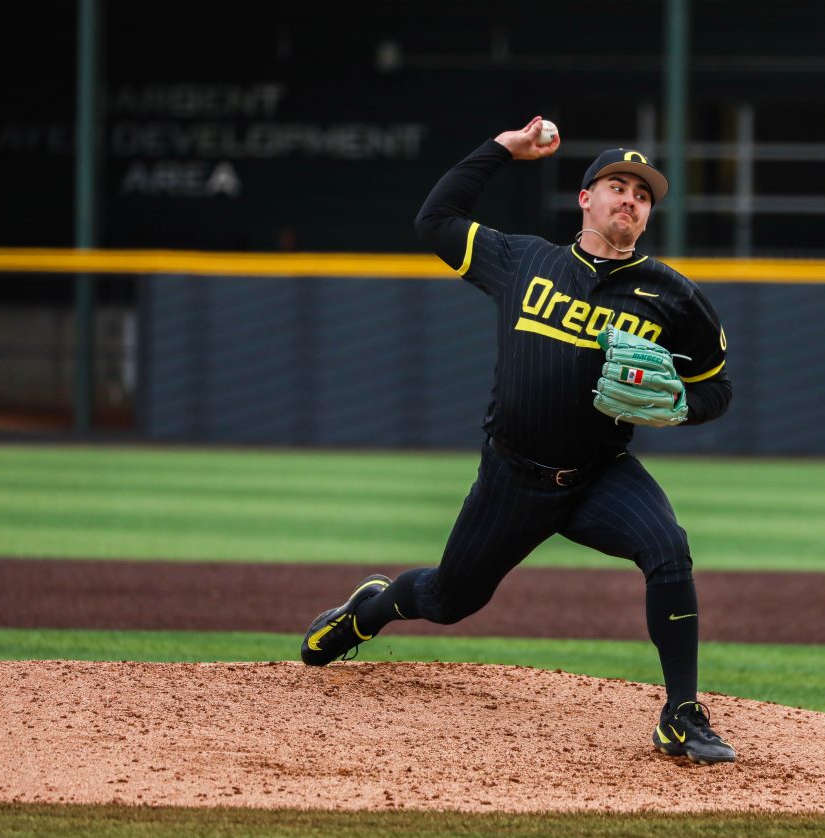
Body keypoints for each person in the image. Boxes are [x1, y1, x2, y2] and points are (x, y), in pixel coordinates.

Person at [300, 116, 735, 765]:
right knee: (448, 600)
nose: (630, 200)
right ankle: (372, 608)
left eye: (642, 195)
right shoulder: (524, 260)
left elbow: (716, 388)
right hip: (512, 477)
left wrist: (680, 406)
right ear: (585, 198)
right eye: (617, 185)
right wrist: (503, 149)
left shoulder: (672, 297)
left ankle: (681, 713)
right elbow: (435, 222)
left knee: (668, 550)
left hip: (597, 475)